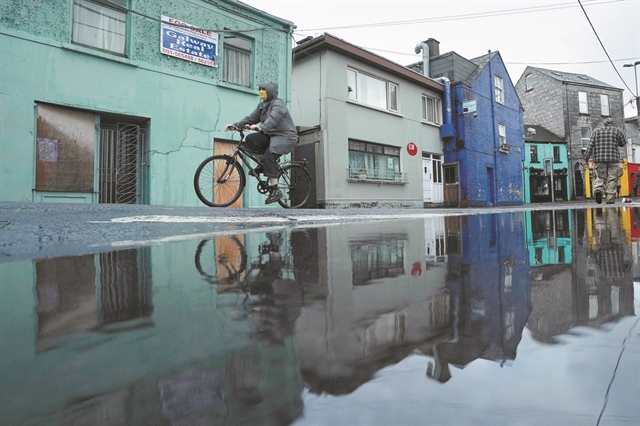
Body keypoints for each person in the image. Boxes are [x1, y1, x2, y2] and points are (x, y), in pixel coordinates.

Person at [225, 82, 298, 204]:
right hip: (272, 136)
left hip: (286, 137)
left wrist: (261, 127)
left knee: (269, 156)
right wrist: (235, 125)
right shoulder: (262, 106)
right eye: (260, 89)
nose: (261, 92)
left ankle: (275, 190)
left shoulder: (278, 104)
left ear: (270, 92)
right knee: (251, 139)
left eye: (263, 89)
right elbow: (250, 118)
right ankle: (263, 163)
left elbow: (273, 118)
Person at [584, 118, 626, 205]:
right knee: (612, 178)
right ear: (612, 124)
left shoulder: (596, 132)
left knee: (600, 176)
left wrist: (586, 159)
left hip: (599, 159)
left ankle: (598, 190)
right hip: (613, 159)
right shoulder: (617, 131)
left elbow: (589, 146)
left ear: (605, 124)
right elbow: (623, 143)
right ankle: (610, 199)